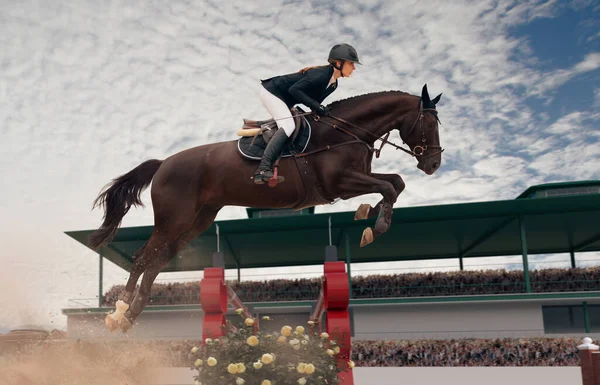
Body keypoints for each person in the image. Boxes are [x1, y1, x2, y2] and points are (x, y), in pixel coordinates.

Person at [253, 43, 361, 185]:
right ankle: (262, 169)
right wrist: (318, 106)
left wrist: (322, 111)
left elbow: (313, 102)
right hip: (272, 92)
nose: (353, 68)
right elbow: (295, 90)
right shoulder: (321, 74)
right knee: (288, 126)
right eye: (351, 63)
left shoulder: (333, 85)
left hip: (285, 100)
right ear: (339, 63)